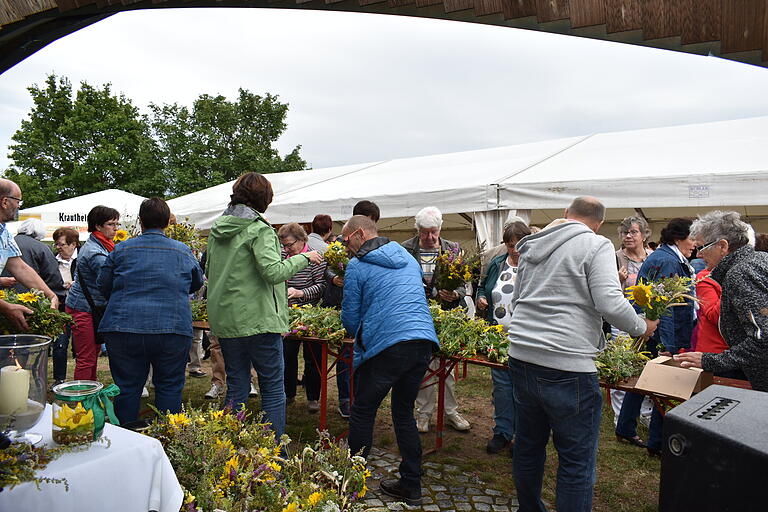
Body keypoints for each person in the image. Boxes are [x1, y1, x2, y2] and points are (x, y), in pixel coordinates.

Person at [506, 197, 658, 512]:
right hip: (568, 363)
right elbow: (610, 303)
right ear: (599, 223)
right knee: (576, 460)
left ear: (565, 215)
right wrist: (642, 326)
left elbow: (517, 300)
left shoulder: (533, 244)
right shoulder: (596, 244)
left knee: (528, 446)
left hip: (521, 356)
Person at [206, 172, 322, 439]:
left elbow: (210, 269)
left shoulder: (217, 231)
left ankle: (228, 449)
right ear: (264, 199)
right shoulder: (259, 230)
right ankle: (272, 453)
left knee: (237, 386)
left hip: (227, 320)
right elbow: (273, 272)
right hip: (259, 321)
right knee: (272, 388)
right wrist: (305, 259)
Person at [342, 215, 438, 506]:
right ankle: (411, 484)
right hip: (422, 341)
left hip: (390, 345)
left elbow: (350, 319)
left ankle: (351, 481)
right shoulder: (408, 258)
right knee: (403, 412)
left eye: (346, 241)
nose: (345, 247)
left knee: (362, 410)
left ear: (359, 234)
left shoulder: (357, 266)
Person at [97, 198, 204, 423]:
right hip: (172, 328)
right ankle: (167, 442)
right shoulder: (183, 251)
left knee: (126, 387)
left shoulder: (121, 249)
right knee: (169, 387)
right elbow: (195, 284)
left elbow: (103, 284)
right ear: (167, 223)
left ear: (141, 221)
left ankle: (126, 439)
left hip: (124, 326)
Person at [616, 217, 696, 456]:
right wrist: (669, 345)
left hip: (655, 330)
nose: (695, 244)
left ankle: (627, 427)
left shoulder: (666, 257)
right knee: (663, 385)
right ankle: (657, 443)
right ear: (679, 238)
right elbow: (667, 307)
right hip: (661, 333)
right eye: (692, 239)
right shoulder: (667, 261)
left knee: (643, 379)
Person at [675, 211, 768, 390]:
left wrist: (711, 360)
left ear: (723, 246)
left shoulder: (740, 273)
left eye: (702, 248)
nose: (699, 256)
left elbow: (763, 338)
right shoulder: (760, 259)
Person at [402, 206, 470, 433]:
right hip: (417, 316)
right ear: (417, 230)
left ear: (440, 229)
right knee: (422, 365)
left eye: (434, 232)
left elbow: (463, 283)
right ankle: (424, 413)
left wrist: (456, 294)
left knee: (447, 366)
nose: (430, 237)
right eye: (424, 232)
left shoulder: (453, 249)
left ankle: (450, 411)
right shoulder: (406, 249)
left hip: (448, 316)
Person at [475, 220, 531, 455]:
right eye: (510, 245)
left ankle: (523, 436)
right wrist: (480, 298)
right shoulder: (498, 263)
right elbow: (481, 287)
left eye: (519, 244)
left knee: (523, 390)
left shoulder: (535, 266)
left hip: (526, 338)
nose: (515, 250)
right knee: (501, 388)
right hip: (497, 337)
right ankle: (502, 432)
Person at [610, 216, 654, 435]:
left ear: (644, 235)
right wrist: (617, 280)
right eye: (625, 232)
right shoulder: (615, 259)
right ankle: (620, 416)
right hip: (622, 321)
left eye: (633, 232)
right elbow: (605, 292)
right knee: (622, 365)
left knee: (646, 366)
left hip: (648, 321)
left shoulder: (653, 258)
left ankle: (645, 413)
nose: (628, 236)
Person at [66, 205, 119, 381]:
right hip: (82, 308)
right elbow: (110, 280)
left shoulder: (102, 245)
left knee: (92, 354)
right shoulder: (95, 252)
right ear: (98, 226)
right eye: (111, 224)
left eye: (116, 224)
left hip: (90, 307)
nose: (116, 228)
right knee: (86, 358)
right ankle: (82, 400)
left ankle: (90, 392)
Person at [278, 222, 327, 413]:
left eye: (290, 245)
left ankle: (313, 397)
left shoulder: (316, 257)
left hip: (311, 314)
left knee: (312, 357)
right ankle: (288, 393)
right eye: (284, 246)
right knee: (287, 356)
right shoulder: (282, 256)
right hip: (286, 315)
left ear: (302, 240)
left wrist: (300, 293)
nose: (287, 249)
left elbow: (322, 286)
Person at [0, 179, 59, 330]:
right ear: (5, 202)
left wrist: (50, 295)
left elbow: (20, 267)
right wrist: (5, 306)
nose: (19, 206)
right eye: (18, 201)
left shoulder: (3, 232)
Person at [51, 227, 79, 385]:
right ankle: (59, 378)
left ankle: (80, 378)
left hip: (80, 308)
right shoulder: (53, 262)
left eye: (61, 244)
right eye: (57, 244)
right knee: (60, 344)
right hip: (62, 308)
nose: (58, 247)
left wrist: (76, 284)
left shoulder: (82, 258)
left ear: (73, 244)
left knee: (79, 346)